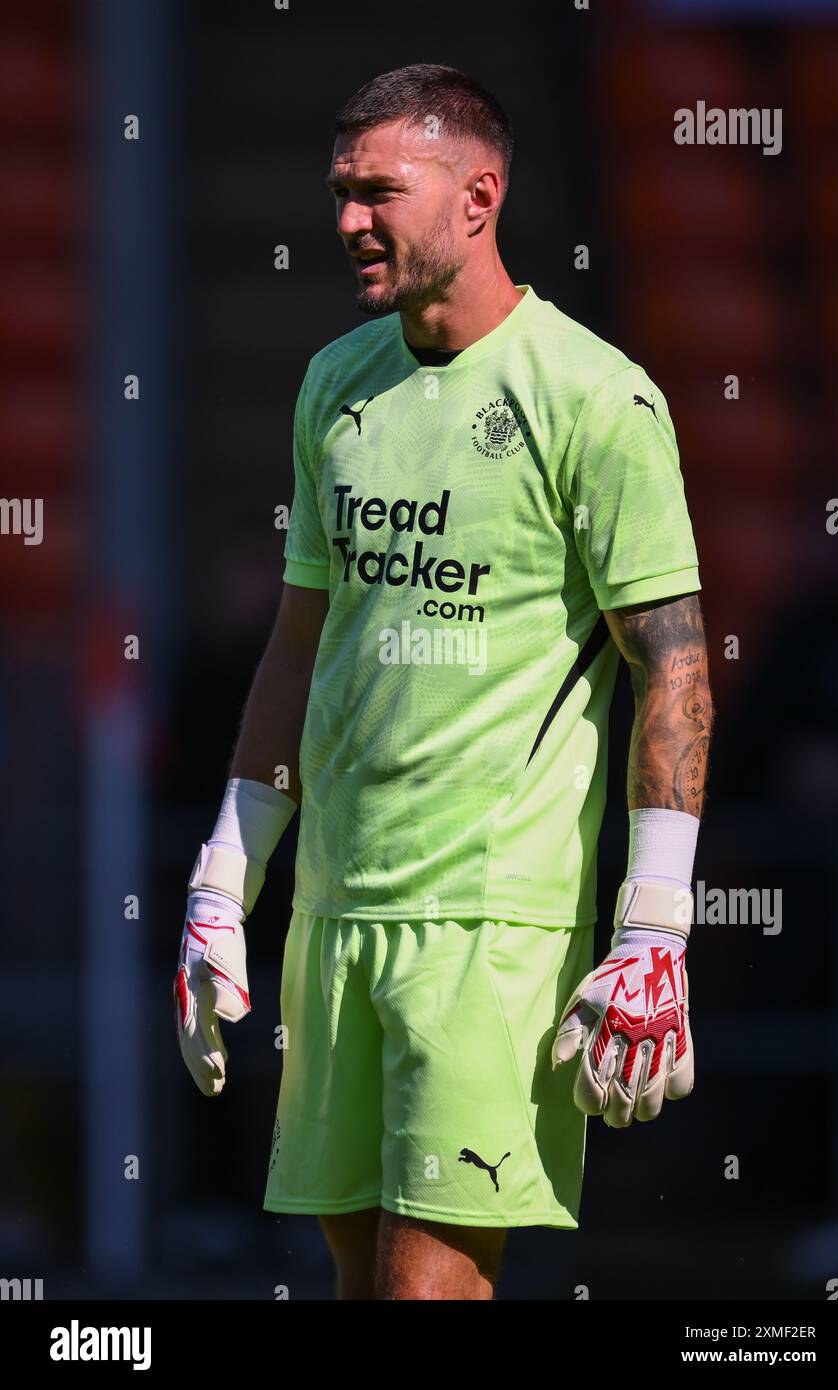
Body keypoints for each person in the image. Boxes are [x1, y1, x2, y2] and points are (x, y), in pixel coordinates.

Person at [174, 63, 714, 1301]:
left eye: (380, 192)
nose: (349, 221)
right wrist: (223, 873)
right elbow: (298, 645)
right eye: (338, 193)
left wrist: (653, 923)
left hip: (490, 924)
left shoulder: (595, 396)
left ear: (479, 196)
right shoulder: (334, 383)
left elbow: (672, 662)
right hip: (334, 910)